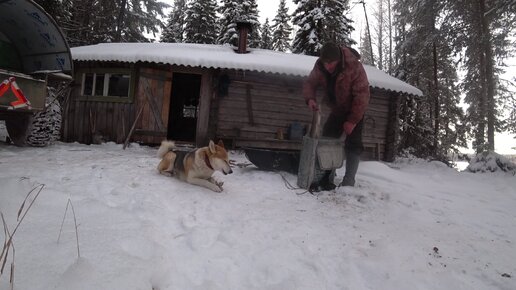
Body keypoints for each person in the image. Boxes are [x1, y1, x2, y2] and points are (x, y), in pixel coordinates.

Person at [303, 42, 370, 190]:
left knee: (353, 145)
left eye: (331, 63)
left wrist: (352, 121)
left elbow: (362, 96)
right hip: (336, 110)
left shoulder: (354, 67)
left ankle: (348, 181)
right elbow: (310, 83)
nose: (328, 67)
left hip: (355, 110)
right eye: (325, 63)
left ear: (339, 59)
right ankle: (326, 178)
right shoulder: (320, 65)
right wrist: (310, 98)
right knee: (327, 140)